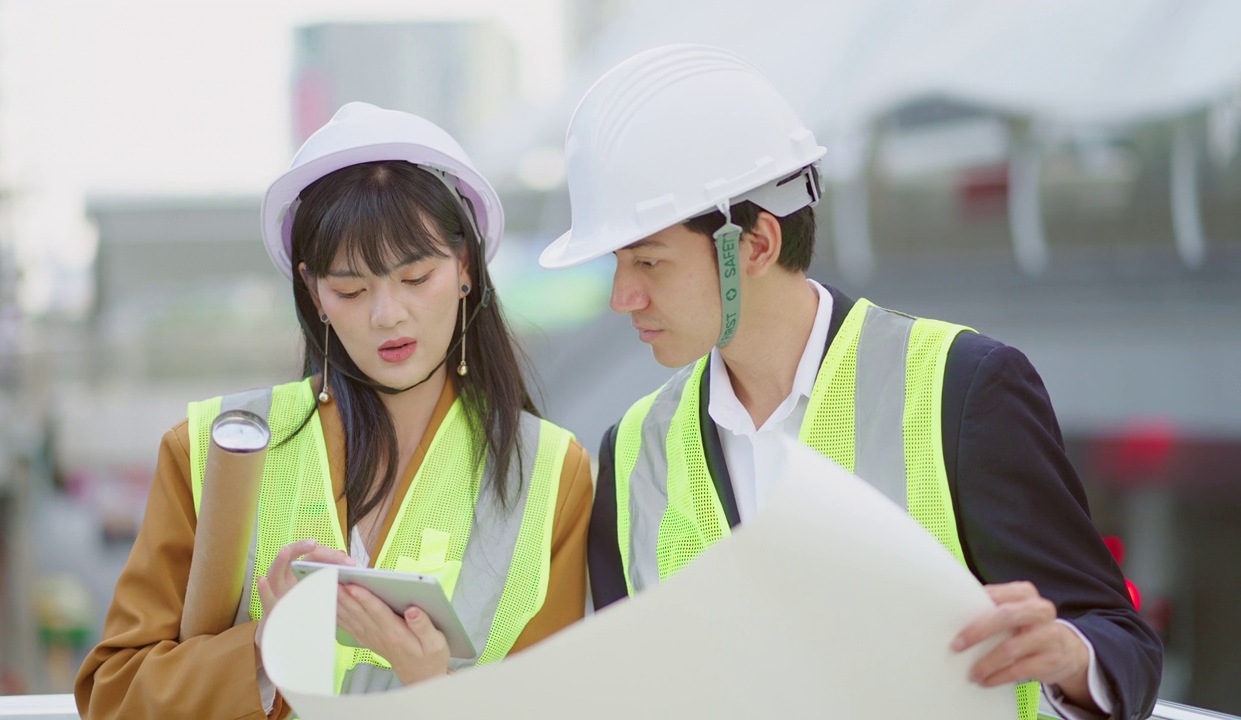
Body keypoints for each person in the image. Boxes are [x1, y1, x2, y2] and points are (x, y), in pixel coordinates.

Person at [539, 45, 1161, 720]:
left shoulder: (964, 390)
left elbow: (1116, 637)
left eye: (649, 262)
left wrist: (1071, 655)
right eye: (618, 264)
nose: (622, 296)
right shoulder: (632, 453)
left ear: (754, 245)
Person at [76, 102, 593, 720]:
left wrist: (431, 684)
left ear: (465, 269)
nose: (386, 315)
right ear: (313, 293)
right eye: (351, 290)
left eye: (415, 277)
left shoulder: (552, 475)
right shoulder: (211, 448)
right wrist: (265, 650)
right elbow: (112, 696)